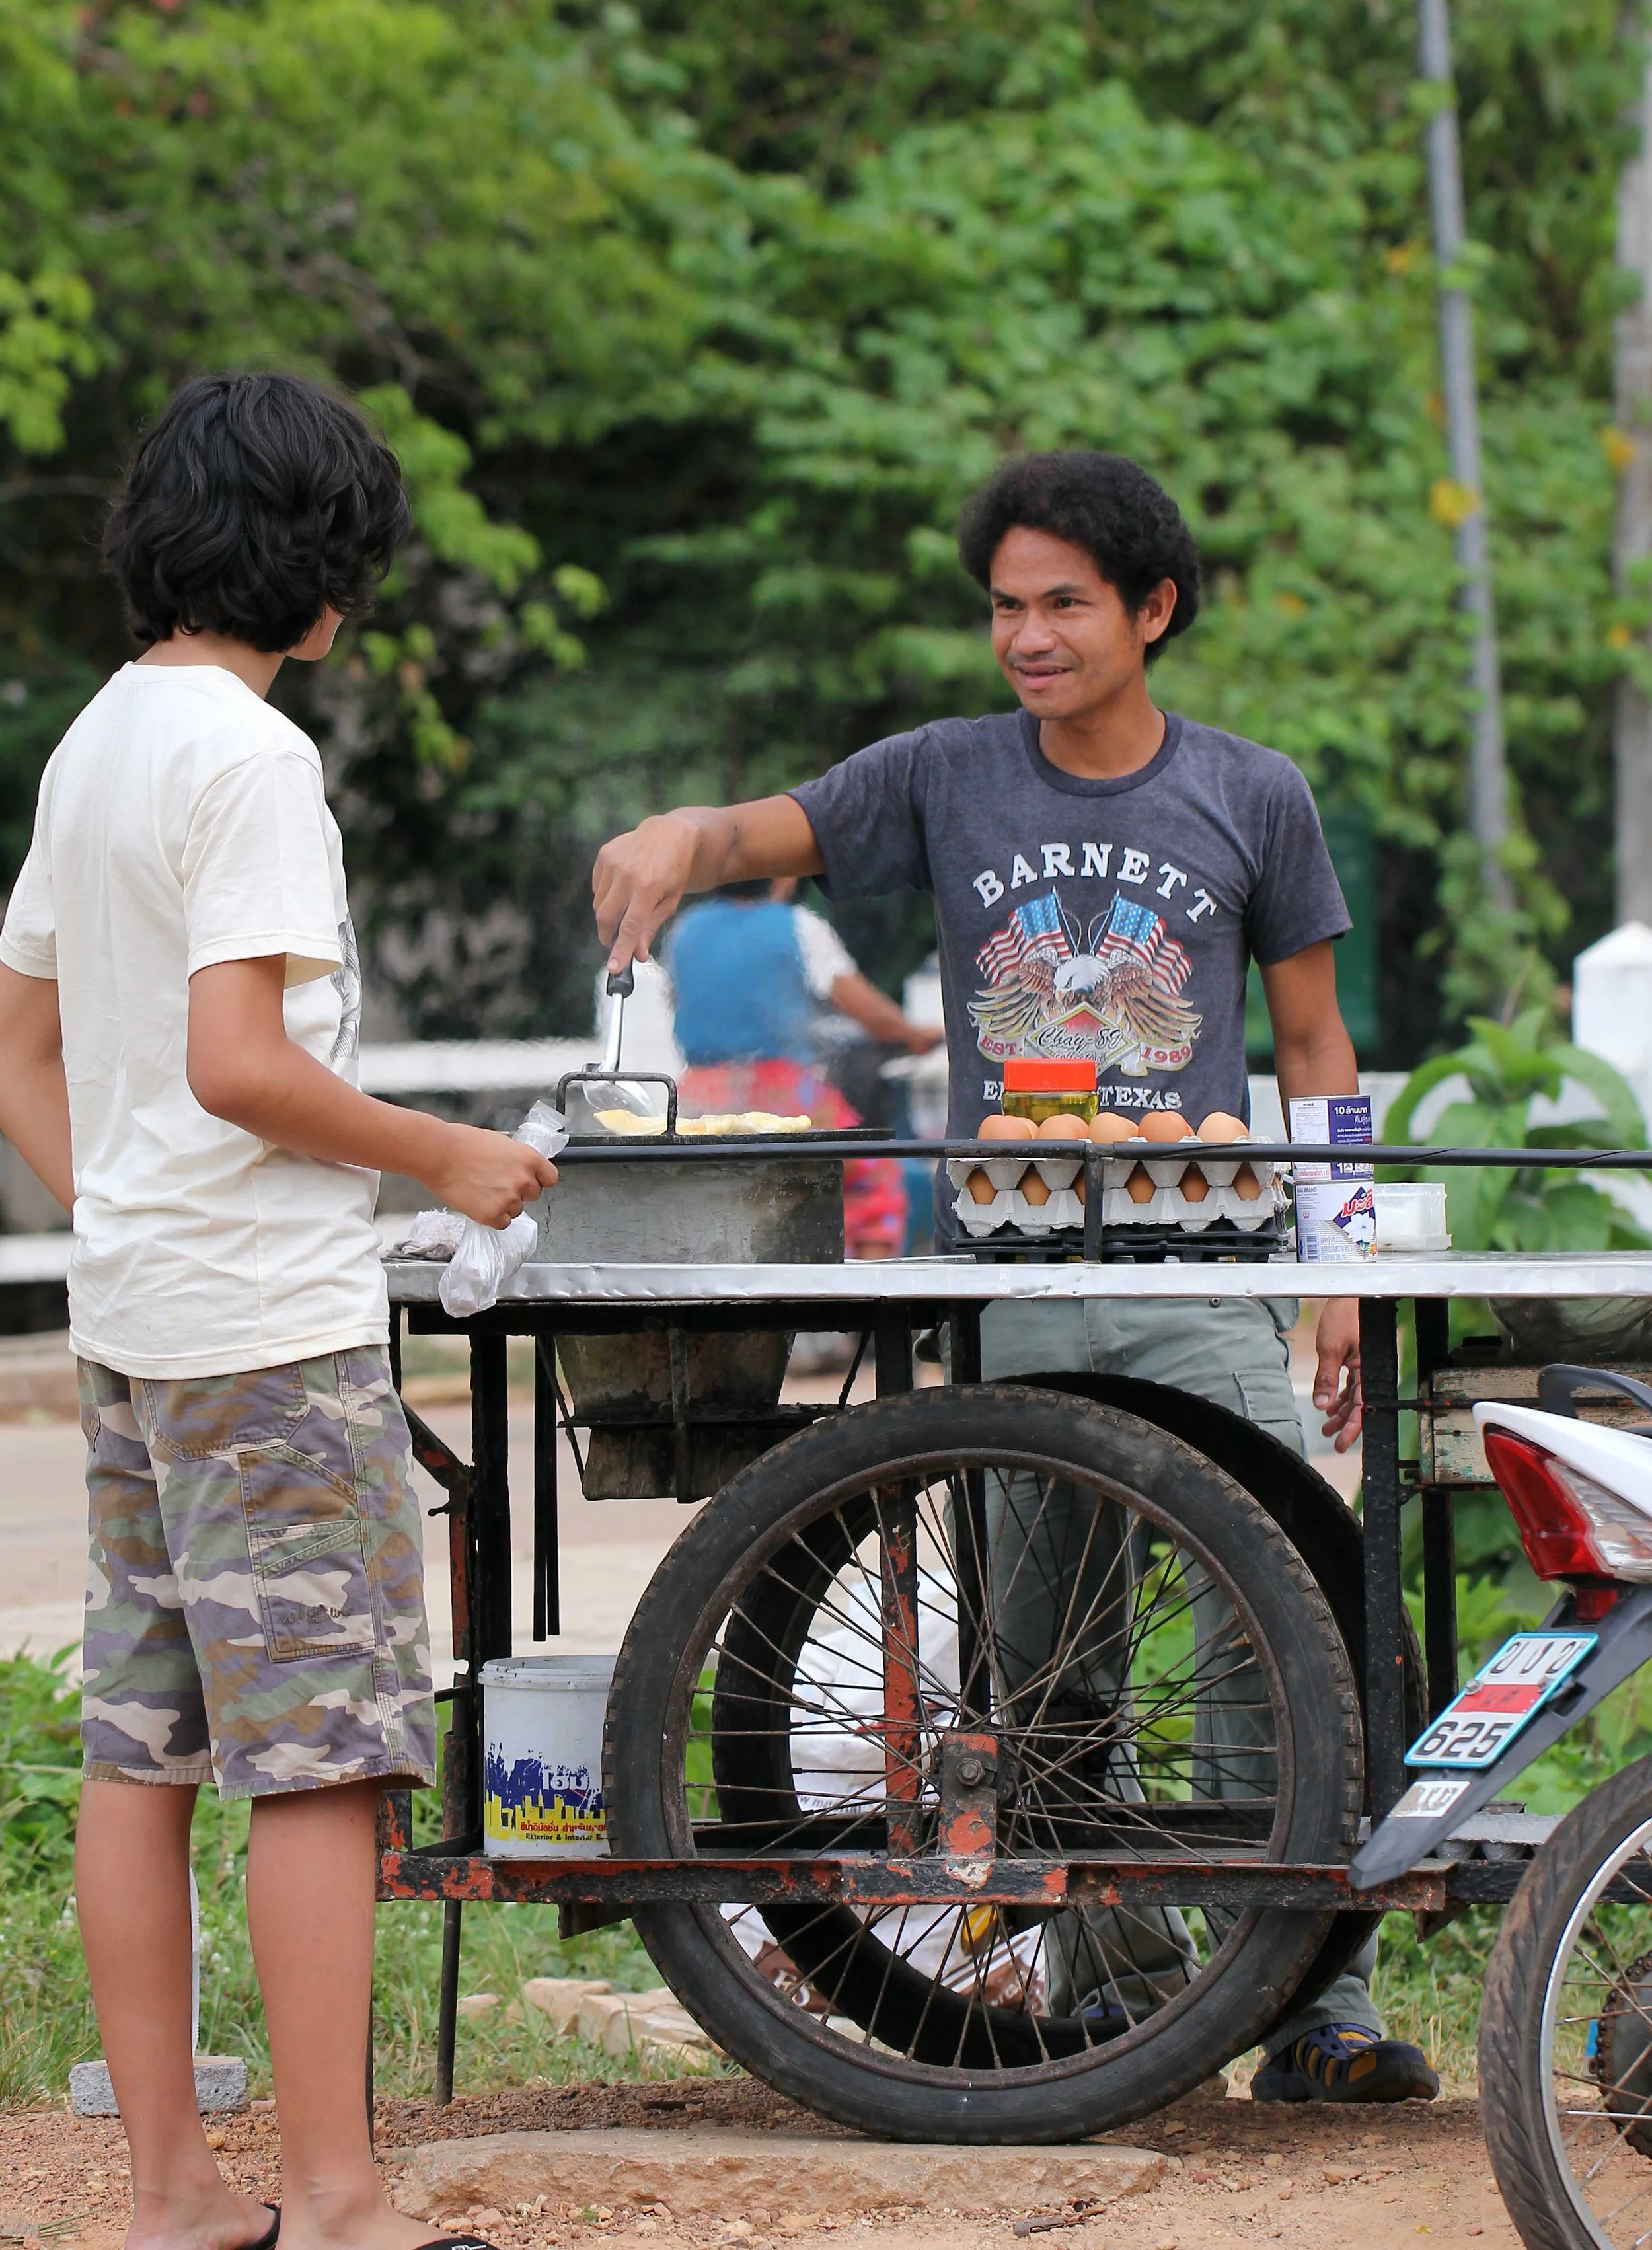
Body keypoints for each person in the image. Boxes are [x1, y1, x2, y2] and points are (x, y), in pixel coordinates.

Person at [591, 448, 1437, 2104]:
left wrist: (1340, 1267)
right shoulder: (945, 773)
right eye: (1006, 607)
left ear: (1152, 610)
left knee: (1285, 1618)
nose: (1030, 637)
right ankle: (1131, 2010)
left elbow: (1320, 1046)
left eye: (1065, 604)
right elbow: (761, 825)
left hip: (1208, 1271)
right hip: (1016, 1271)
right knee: (1049, 1665)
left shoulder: (1252, 793)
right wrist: (677, 835)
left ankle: (1308, 1999)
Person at [0, 373, 554, 2250]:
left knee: (140, 1750)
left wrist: (117, 1208)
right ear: (322, 582)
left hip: (140, 1316)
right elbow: (243, 1064)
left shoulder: (95, 739)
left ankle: (174, 2191)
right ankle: (333, 2194)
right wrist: (444, 1154)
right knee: (321, 1755)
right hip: (263, 1325)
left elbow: (20, 1036)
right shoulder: (253, 759)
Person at [665, 875, 939, 1256]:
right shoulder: (797, 924)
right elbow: (866, 1011)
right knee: (876, 1178)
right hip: (783, 1097)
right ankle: (872, 1301)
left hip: (694, 1099)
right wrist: (915, 1034)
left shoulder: (685, 929)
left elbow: (680, 1000)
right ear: (784, 874)